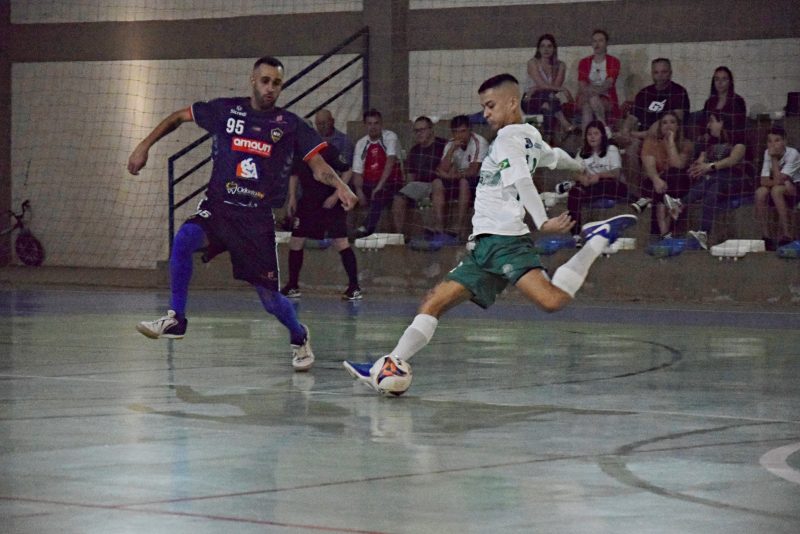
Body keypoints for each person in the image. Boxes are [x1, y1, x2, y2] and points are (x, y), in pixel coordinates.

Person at [342, 73, 637, 394]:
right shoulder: (530, 137)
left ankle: (596, 240)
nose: (485, 113)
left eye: (490, 105)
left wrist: (541, 221)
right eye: (484, 106)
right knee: (433, 302)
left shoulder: (509, 138)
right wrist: (579, 168)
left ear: (512, 102)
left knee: (551, 300)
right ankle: (386, 366)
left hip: (504, 242)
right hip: (484, 246)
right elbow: (554, 156)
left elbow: (523, 180)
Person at [127, 55, 358, 372]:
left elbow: (317, 166)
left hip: (255, 219)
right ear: (253, 80)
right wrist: (144, 145)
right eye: (265, 81)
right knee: (183, 239)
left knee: (270, 300)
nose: (270, 88)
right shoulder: (225, 111)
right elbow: (178, 117)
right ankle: (176, 318)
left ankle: (299, 335)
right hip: (218, 209)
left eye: (276, 83)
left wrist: (341, 188)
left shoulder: (289, 125)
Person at [281, 143, 363, 300]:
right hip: (308, 203)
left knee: (341, 242)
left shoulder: (328, 149)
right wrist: (292, 196)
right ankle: (293, 285)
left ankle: (354, 287)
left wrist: (336, 195)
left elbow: (347, 171)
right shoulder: (297, 150)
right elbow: (294, 174)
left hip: (330, 201)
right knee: (296, 241)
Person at [663, 111, 749, 249]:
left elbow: (732, 160)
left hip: (736, 180)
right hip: (717, 182)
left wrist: (709, 167)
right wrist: (696, 168)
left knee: (716, 178)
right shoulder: (709, 142)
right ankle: (703, 232)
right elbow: (701, 161)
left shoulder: (738, 141)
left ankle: (680, 203)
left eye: (712, 121)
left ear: (721, 123)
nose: (709, 125)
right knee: (712, 190)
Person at [616, 58, 691, 184]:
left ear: (670, 73)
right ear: (652, 74)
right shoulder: (644, 93)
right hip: (642, 136)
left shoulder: (678, 92)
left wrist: (633, 134)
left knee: (645, 144)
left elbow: (665, 126)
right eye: (656, 72)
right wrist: (625, 130)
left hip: (667, 137)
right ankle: (635, 191)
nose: (660, 76)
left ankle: (651, 188)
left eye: (663, 72)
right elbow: (632, 118)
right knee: (631, 147)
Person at [565, 120, 630, 234]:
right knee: (574, 193)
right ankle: (576, 235)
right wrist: (582, 178)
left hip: (612, 186)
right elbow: (574, 172)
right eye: (589, 134)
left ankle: (633, 198)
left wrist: (599, 176)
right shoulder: (582, 152)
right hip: (591, 187)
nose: (592, 137)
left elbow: (616, 174)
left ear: (602, 136)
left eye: (596, 134)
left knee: (605, 184)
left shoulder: (611, 149)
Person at [637, 111, 694, 238]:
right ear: (659, 127)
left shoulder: (686, 144)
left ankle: (662, 231)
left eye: (672, 122)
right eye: (664, 123)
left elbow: (677, 165)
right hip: (657, 183)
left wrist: (671, 143)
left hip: (678, 182)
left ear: (678, 126)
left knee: (674, 175)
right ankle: (665, 232)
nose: (668, 126)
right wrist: (656, 179)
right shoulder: (651, 142)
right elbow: (649, 165)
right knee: (654, 185)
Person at [434, 115, 489, 242]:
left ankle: (459, 226)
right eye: (456, 132)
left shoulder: (479, 142)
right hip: (458, 179)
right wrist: (451, 150)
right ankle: (439, 226)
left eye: (463, 131)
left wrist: (450, 176)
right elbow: (441, 169)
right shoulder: (450, 144)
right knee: (437, 183)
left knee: (464, 182)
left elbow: (473, 171)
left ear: (470, 130)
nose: (460, 135)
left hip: (479, 182)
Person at [393, 116, 448, 238]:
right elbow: (410, 177)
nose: (419, 133)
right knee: (398, 198)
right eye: (416, 130)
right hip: (421, 185)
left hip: (442, 183)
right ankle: (400, 236)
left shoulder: (443, 145)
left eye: (422, 130)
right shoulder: (414, 150)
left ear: (431, 130)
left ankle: (439, 229)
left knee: (436, 183)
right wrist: (409, 192)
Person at [351, 109, 403, 238]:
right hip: (369, 183)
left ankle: (366, 228)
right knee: (346, 193)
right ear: (365, 125)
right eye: (370, 123)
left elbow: (390, 162)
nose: (373, 127)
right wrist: (359, 192)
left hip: (391, 181)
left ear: (381, 124)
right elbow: (357, 172)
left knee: (379, 193)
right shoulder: (361, 143)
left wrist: (379, 186)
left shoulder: (390, 137)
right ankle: (340, 233)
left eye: (376, 123)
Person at [523, 34, 578, 137]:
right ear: (538, 49)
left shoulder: (560, 65)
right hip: (529, 99)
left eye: (549, 46)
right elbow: (542, 84)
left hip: (548, 99)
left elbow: (552, 89)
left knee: (547, 106)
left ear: (554, 48)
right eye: (543, 46)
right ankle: (565, 123)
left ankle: (548, 141)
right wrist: (563, 89)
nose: (546, 49)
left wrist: (535, 88)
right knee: (546, 97)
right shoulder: (533, 62)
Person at [754, 127, 800, 249]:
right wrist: (779, 182)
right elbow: (763, 181)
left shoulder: (793, 153)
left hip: (796, 187)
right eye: (769, 141)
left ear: (785, 142)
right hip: (782, 184)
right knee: (760, 192)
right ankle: (766, 237)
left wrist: (774, 158)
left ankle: (787, 234)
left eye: (777, 140)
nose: (772, 144)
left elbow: (780, 180)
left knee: (776, 190)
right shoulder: (766, 152)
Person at [576, 29, 621, 134]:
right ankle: (604, 130)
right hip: (586, 95)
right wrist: (590, 93)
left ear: (606, 43)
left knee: (591, 102)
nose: (597, 44)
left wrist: (593, 92)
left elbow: (609, 83)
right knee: (589, 104)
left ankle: (587, 141)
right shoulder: (584, 62)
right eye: (594, 41)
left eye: (600, 41)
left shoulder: (614, 61)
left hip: (606, 96)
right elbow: (582, 84)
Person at [700, 66, 747, 138]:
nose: (720, 82)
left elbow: (739, 129)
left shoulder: (738, 101)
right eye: (717, 79)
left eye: (724, 79)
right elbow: (704, 125)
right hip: (711, 141)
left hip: (731, 141)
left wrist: (721, 131)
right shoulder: (709, 102)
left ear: (730, 82)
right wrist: (705, 134)